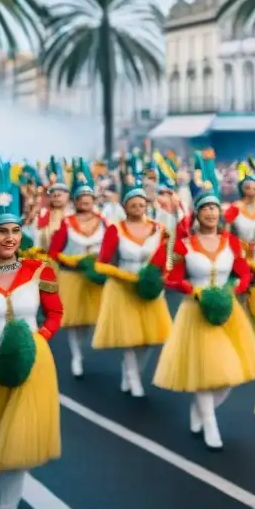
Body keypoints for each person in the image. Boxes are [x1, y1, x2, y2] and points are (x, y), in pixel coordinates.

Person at [152, 152, 255, 450]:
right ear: (197, 215)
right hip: (195, 312)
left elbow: (244, 274)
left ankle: (201, 409)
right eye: (206, 209)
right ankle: (210, 423)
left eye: (215, 208)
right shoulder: (185, 245)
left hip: (228, 312)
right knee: (204, 372)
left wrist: (233, 291)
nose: (211, 213)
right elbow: (171, 278)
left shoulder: (233, 243)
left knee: (227, 377)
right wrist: (194, 290)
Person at [0, 152, 63, 509]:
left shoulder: (40, 269)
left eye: (14, 231)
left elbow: (56, 313)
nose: (9, 238)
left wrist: (41, 338)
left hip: (33, 366)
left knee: (18, 445)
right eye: (1, 231)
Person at [91, 155, 172, 397]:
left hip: (149, 287)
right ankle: (133, 377)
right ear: (125, 206)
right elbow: (101, 264)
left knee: (149, 339)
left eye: (141, 204)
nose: (138, 208)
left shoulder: (160, 229)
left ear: (147, 205)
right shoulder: (116, 229)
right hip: (123, 288)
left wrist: (162, 277)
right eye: (133, 204)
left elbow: (166, 258)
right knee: (130, 337)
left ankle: (132, 370)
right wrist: (126, 277)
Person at [47, 158, 108, 378]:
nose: (84, 202)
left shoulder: (103, 222)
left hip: (96, 277)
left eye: (88, 199)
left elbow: (111, 248)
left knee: (95, 319)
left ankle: (85, 349)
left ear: (94, 200)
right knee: (74, 322)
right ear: (76, 201)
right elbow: (53, 251)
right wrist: (72, 260)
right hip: (72, 277)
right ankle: (76, 356)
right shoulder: (67, 223)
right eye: (81, 199)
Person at [31, 157, 70, 252]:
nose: (56, 196)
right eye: (53, 193)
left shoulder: (74, 215)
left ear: (68, 195)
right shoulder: (41, 216)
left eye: (60, 193)